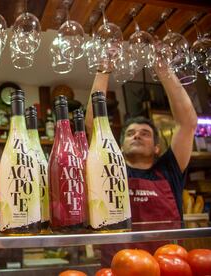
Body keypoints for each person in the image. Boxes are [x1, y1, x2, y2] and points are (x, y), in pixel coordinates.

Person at [85, 62, 198, 265]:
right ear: (119, 147)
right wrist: (103, 69)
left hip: (168, 268)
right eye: (130, 133)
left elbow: (187, 123)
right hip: (118, 269)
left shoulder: (169, 170)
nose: (137, 135)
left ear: (157, 148)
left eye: (145, 133)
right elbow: (94, 124)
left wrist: (163, 68)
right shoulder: (111, 169)